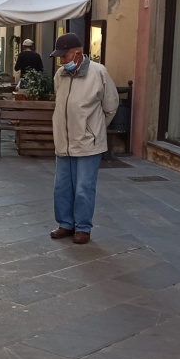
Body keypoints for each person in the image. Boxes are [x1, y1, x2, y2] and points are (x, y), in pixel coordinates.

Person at [48, 32, 119, 245]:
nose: (62, 61)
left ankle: (83, 227)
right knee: (62, 187)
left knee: (83, 188)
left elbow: (111, 106)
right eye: (60, 57)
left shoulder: (99, 72)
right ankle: (65, 224)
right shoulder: (60, 75)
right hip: (64, 141)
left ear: (78, 53)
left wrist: (94, 130)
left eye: (65, 56)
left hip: (89, 143)